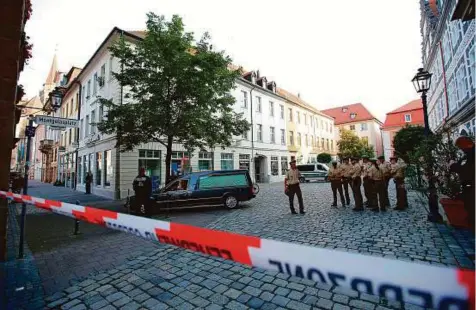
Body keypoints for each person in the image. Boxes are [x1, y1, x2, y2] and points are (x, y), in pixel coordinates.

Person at [450, 136, 475, 229]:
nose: (461, 149)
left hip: (472, 188)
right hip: (469, 187)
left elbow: (468, 171)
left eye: (460, 147)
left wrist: (453, 166)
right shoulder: (469, 153)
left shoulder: (471, 154)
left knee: (472, 212)